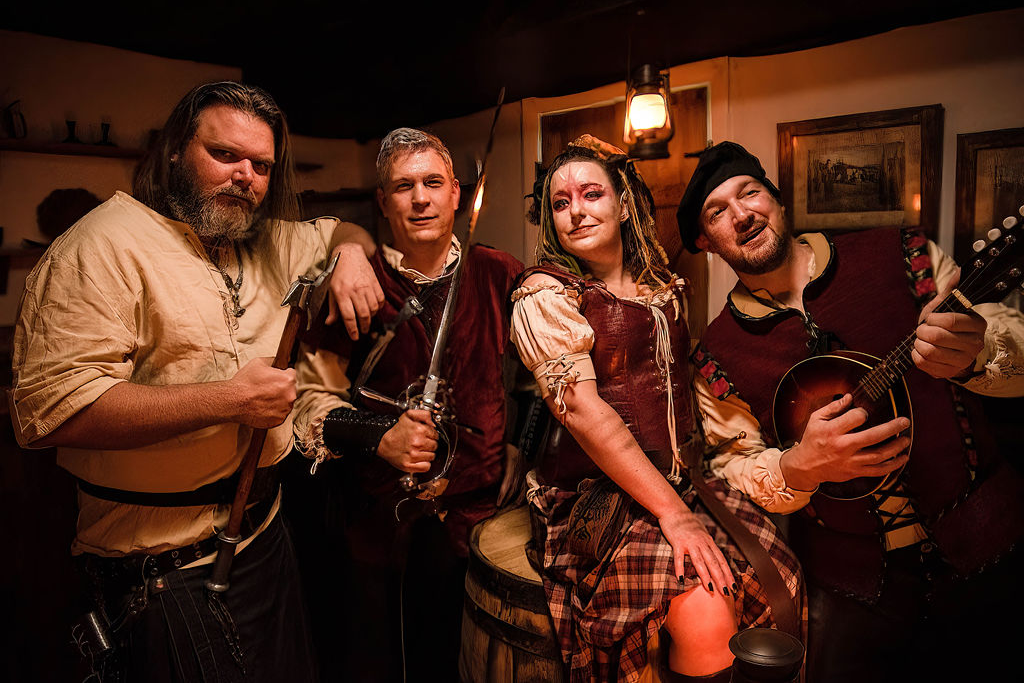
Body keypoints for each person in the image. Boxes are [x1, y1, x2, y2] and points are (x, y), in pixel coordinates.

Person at [9, 81, 373, 682]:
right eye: (224, 154)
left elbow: (340, 232)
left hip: (265, 536)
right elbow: (51, 412)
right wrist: (229, 401)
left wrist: (351, 255)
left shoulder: (260, 239)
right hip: (164, 570)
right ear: (176, 149)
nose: (245, 176)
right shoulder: (102, 246)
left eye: (260, 165)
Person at [677, 141, 1024, 682]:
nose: (742, 214)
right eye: (717, 212)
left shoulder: (901, 254)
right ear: (705, 241)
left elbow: (1015, 351)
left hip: (991, 542)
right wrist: (797, 467)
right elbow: (731, 465)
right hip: (851, 589)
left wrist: (976, 352)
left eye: (751, 193)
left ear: (777, 200)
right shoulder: (717, 353)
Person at [510, 135, 803, 683]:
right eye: (561, 202)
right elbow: (582, 411)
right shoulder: (546, 294)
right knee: (706, 608)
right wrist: (674, 515)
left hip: (683, 477)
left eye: (592, 193)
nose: (576, 211)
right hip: (594, 497)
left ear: (623, 204)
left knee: (776, 575)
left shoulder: (662, 287)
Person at [288, 127, 525, 682]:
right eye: (403, 186)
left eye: (433, 183)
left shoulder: (501, 273)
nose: (421, 198)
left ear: (456, 194)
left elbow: (536, 379)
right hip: (381, 530)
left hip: (481, 524)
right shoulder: (355, 284)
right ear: (383, 201)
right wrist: (379, 437)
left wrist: (518, 444)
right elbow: (308, 398)